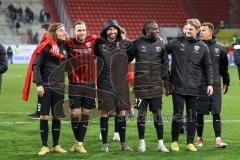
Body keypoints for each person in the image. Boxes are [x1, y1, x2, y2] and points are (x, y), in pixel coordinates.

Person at [166, 19, 213, 152]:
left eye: (191, 29)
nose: (187, 31)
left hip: (194, 87)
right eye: (186, 28)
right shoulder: (176, 42)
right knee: (178, 114)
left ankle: (190, 143)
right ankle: (174, 141)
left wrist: (210, 83)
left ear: (197, 30)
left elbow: (208, 66)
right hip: (178, 86)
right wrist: (166, 76)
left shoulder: (202, 46)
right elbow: (162, 54)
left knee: (192, 115)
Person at [127, 20, 170, 152]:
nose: (157, 31)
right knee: (141, 115)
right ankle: (142, 143)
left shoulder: (161, 44)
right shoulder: (137, 44)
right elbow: (125, 59)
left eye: (158, 29)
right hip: (140, 87)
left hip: (156, 86)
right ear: (147, 30)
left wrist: (167, 82)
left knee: (158, 115)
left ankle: (161, 143)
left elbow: (164, 65)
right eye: (154, 29)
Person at [94, 19, 133, 152]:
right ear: (105, 31)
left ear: (118, 30)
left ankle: (123, 144)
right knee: (104, 114)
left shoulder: (125, 45)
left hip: (121, 84)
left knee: (121, 113)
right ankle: (105, 144)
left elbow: (132, 56)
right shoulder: (99, 45)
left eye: (114, 29)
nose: (112, 31)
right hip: (104, 83)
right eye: (109, 29)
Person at [32, 23, 68, 155]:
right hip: (46, 87)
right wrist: (39, 84)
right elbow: (36, 66)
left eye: (64, 30)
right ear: (54, 32)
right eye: (60, 30)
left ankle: (56, 145)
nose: (63, 32)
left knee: (57, 116)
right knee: (44, 116)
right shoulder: (46, 47)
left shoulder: (65, 48)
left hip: (59, 87)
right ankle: (45, 146)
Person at [64, 21, 97, 153]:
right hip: (75, 83)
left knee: (86, 112)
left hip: (89, 83)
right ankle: (78, 142)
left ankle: (79, 143)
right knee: (74, 113)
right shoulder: (69, 43)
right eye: (79, 30)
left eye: (83, 30)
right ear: (74, 32)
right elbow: (55, 40)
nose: (82, 33)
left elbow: (111, 38)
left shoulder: (93, 40)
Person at [196, 22, 230, 148]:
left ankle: (218, 140)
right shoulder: (196, 46)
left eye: (203, 30)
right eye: (200, 30)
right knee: (199, 112)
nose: (201, 32)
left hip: (215, 84)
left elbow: (224, 68)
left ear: (210, 32)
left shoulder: (220, 48)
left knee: (216, 112)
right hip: (199, 84)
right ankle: (199, 139)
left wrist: (226, 82)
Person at [28, 24, 50, 120]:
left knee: (42, 93)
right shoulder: (44, 41)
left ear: (47, 31)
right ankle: (39, 111)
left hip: (44, 73)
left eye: (42, 30)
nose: (40, 32)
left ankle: (40, 112)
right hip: (41, 71)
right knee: (41, 93)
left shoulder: (47, 42)